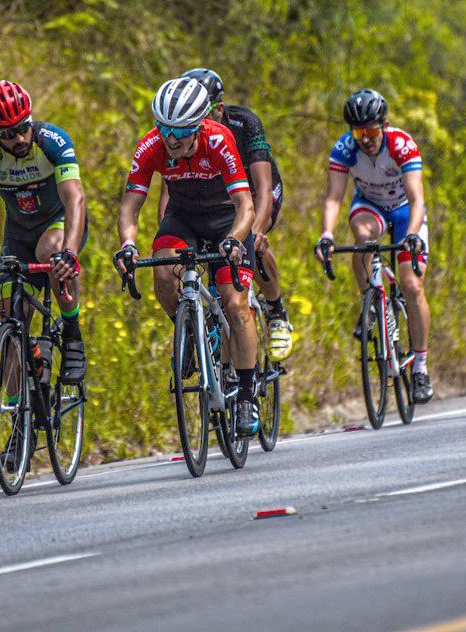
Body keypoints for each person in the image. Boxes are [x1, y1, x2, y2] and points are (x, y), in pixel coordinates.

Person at [114, 77, 261, 436]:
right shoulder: (151, 146)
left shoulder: (219, 139)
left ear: (197, 126)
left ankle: (245, 395)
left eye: (180, 131)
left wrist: (234, 240)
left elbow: (246, 205)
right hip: (183, 218)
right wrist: (128, 245)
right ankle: (190, 330)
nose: (171, 139)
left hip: (226, 219)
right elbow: (130, 207)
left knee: (236, 304)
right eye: (164, 128)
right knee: (163, 274)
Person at [314, 89, 433, 403]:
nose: (365, 138)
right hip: (371, 206)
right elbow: (333, 198)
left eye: (371, 131)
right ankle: (370, 300)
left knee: (411, 283)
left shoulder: (402, 145)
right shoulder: (344, 149)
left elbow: (418, 197)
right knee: (363, 238)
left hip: (406, 209)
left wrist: (411, 234)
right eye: (358, 132)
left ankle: (420, 366)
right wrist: (326, 234)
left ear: (384, 125)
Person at [0, 80, 88, 383]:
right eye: (8, 134)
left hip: (57, 224)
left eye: (24, 127)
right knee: (11, 327)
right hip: (18, 234)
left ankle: (72, 332)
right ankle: (16, 419)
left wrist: (70, 252)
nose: (20, 137)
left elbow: (74, 198)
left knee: (50, 251)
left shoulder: (52, 141)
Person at [178, 68, 293, 362]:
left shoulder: (245, 122)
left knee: (254, 241)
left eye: (199, 113)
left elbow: (264, 187)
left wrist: (255, 230)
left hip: (256, 188)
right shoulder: (186, 134)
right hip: (222, 196)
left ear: (217, 109)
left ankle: (276, 310)